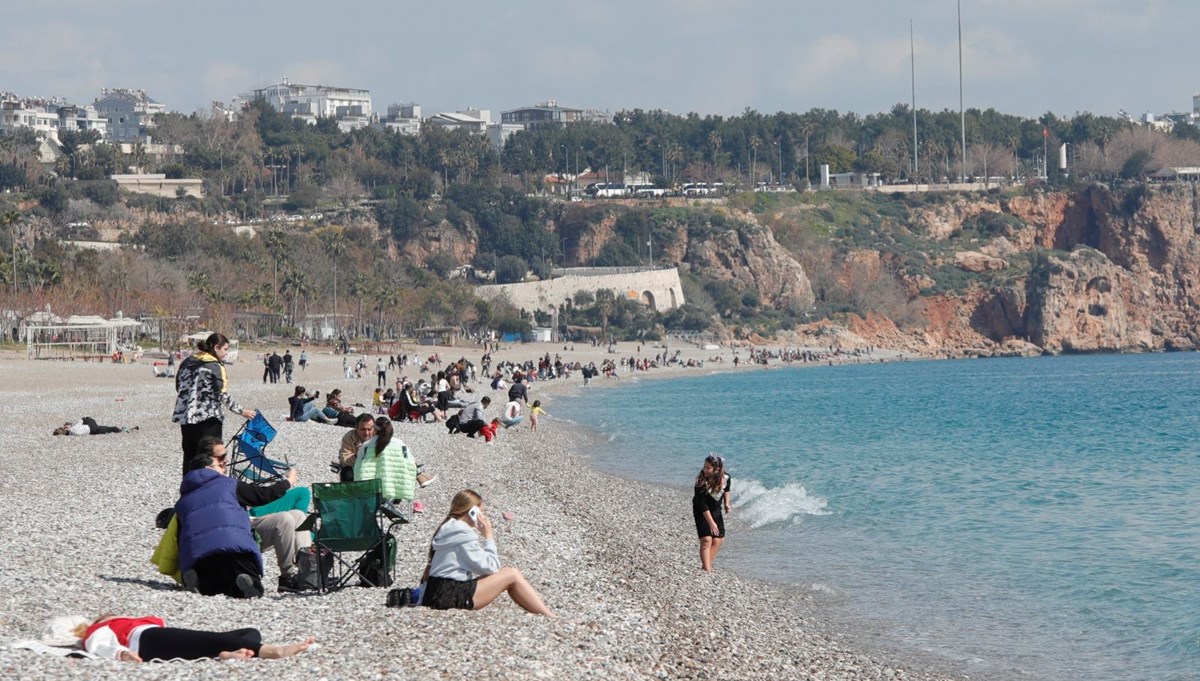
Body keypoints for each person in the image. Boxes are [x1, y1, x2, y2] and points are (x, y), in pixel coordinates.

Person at [176, 437, 313, 596]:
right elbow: (263, 495)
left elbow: (180, 537)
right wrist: (288, 481)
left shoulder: (183, 499)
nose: (226, 462)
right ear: (208, 466)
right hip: (236, 542)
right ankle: (289, 577)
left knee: (297, 515)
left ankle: (307, 572)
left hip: (200, 555)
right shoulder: (229, 485)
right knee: (286, 519)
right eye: (221, 460)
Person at [421, 489, 553, 615]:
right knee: (511, 574)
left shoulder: (446, 528)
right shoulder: (463, 533)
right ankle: (550, 617)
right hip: (450, 596)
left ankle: (547, 615)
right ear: (473, 511)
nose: (483, 516)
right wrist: (488, 536)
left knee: (508, 572)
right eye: (481, 511)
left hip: (435, 592)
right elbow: (491, 567)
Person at [61, 614, 313, 661]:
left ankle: (225, 654)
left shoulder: (131, 621)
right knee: (208, 638)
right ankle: (273, 651)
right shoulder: (101, 628)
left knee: (249, 633)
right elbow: (99, 645)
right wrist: (122, 653)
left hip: (158, 638)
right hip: (147, 642)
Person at [173, 333, 255, 477]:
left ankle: (188, 491)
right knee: (211, 458)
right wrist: (242, 411)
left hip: (186, 418)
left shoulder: (187, 362)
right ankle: (210, 491)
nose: (226, 353)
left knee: (190, 457)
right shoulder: (215, 366)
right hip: (208, 419)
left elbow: (178, 386)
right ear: (216, 348)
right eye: (225, 349)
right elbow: (222, 394)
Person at [354, 417, 417, 505]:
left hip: (372, 489)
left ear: (374, 429)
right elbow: (411, 464)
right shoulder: (400, 444)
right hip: (398, 486)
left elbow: (358, 467)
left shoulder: (367, 445)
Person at [693, 454, 732, 572]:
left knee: (719, 539)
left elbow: (727, 489)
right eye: (704, 467)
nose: (705, 470)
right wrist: (711, 523)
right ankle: (707, 570)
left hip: (715, 509)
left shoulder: (726, 477)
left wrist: (727, 504)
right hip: (701, 510)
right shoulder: (700, 482)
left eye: (708, 468)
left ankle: (706, 565)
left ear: (717, 469)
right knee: (707, 540)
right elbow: (703, 505)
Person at [337, 413, 376, 482]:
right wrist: (358, 454)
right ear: (356, 428)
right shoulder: (349, 438)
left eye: (369, 429)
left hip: (373, 465)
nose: (366, 433)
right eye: (363, 429)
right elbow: (345, 460)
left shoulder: (378, 437)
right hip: (354, 465)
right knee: (347, 474)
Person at [52, 417, 136, 436]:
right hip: (91, 428)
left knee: (108, 428)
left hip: (90, 428)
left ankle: (121, 430)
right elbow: (79, 422)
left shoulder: (72, 432)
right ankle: (123, 430)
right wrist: (71, 425)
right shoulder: (73, 430)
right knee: (111, 429)